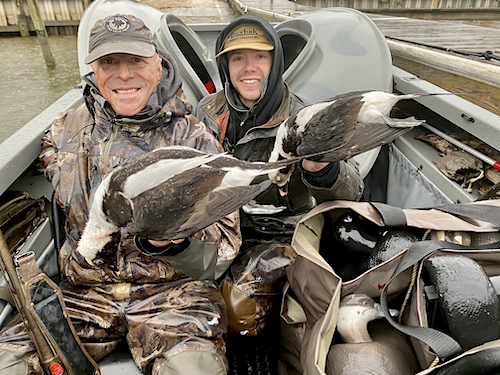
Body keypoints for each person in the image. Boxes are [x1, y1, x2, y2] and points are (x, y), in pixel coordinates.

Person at [0, 14, 240, 375]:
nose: (124, 74)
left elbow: (224, 250)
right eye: (109, 62)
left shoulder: (195, 141)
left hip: (173, 297)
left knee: (196, 369)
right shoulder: (63, 133)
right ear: (93, 70)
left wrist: (173, 245)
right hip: (82, 296)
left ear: (158, 67)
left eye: (136, 61)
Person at [196, 15, 364, 336]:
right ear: (225, 66)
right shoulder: (205, 112)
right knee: (185, 292)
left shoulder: (306, 118)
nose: (249, 67)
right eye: (238, 58)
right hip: (220, 231)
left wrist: (323, 169)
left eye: (260, 56)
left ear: (275, 64)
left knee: (238, 310)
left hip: (282, 236)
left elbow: (353, 190)